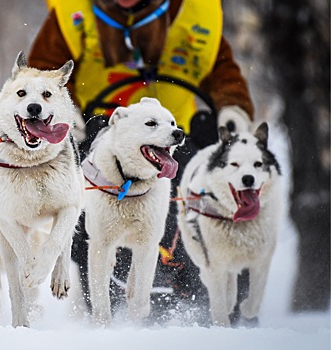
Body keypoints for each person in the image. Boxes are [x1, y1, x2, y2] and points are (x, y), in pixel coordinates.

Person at [27, 0, 255, 323]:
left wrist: (232, 108)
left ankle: (213, 299)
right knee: (81, 202)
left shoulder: (195, 12)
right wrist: (64, 112)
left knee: (210, 189)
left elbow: (222, 72)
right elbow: (40, 76)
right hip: (99, 130)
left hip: (180, 137)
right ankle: (101, 299)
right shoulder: (71, 15)